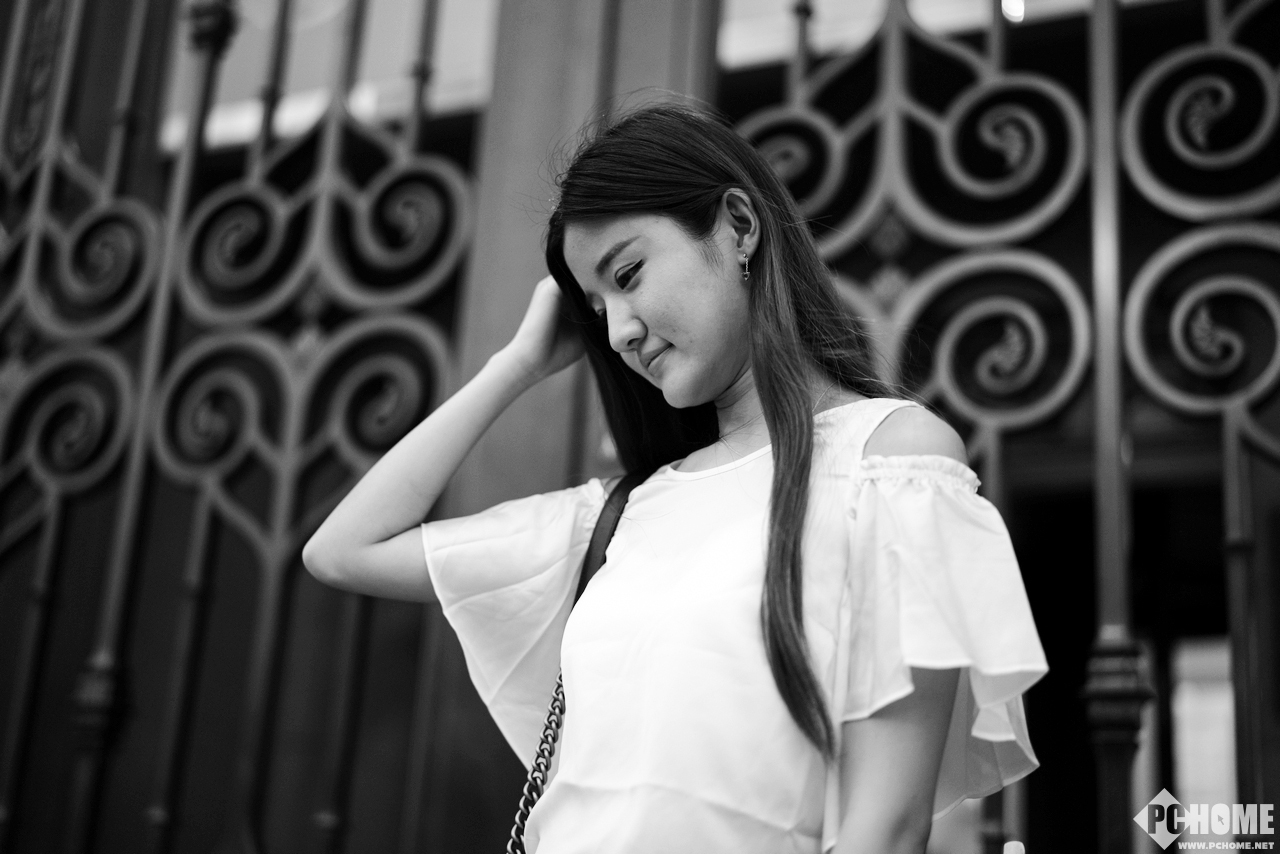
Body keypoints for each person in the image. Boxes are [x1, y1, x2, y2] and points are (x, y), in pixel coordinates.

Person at [302, 104, 1047, 854]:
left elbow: (885, 828)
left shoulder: (891, 466)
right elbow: (344, 550)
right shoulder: (621, 517)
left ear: (739, 226)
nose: (618, 330)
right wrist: (516, 365)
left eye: (629, 275)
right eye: (597, 309)